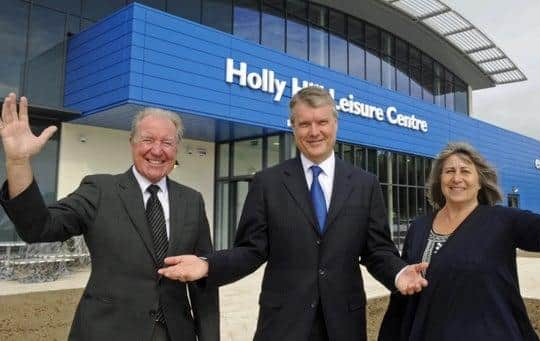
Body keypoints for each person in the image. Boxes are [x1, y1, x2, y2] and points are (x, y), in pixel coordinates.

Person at [157, 86, 429, 340]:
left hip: (343, 325)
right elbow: (251, 250)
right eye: (304, 123)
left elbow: (377, 250)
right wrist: (207, 265)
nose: (314, 132)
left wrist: (398, 273)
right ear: (293, 127)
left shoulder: (364, 184)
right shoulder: (268, 183)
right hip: (282, 324)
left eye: (322, 122)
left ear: (335, 124)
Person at [378, 124, 540, 341]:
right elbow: (403, 296)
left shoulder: (502, 221)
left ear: (480, 182)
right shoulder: (418, 228)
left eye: (465, 171)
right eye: (449, 171)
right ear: (439, 180)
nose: (457, 177)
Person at [0, 93, 220, 341]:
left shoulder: (192, 200)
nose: (157, 150)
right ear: (132, 143)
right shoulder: (99, 190)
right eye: (147, 139)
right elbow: (39, 228)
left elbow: (204, 279)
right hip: (107, 332)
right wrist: (18, 163)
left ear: (176, 148)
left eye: (167, 142)